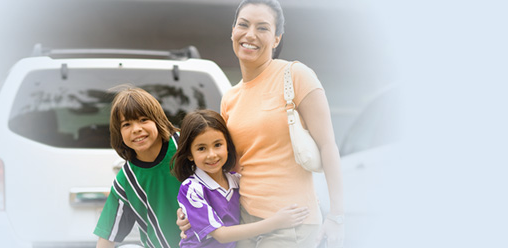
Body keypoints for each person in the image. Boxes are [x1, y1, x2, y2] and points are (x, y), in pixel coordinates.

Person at [177, 0, 346, 247]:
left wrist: (337, 216)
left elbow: (328, 146)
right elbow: (229, 165)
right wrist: (193, 211)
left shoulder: (295, 75)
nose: (250, 35)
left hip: (291, 222)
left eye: (263, 28)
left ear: (277, 39)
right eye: (243, 25)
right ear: (232, 31)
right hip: (245, 222)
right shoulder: (230, 97)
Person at [172, 109, 308, 248]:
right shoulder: (191, 189)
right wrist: (276, 222)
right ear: (189, 154)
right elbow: (221, 235)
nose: (212, 154)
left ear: (227, 146)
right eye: (201, 148)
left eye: (218, 145)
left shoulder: (237, 181)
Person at [93, 86, 183, 248]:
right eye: (126, 124)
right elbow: (106, 236)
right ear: (119, 133)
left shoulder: (184, 147)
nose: (136, 129)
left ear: (157, 120)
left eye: (143, 120)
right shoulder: (127, 179)